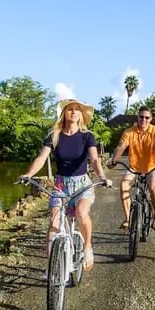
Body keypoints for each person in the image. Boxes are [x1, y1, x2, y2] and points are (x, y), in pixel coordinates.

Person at [21, 99, 111, 272]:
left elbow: (94, 159)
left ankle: (87, 247)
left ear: (81, 114)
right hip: (61, 185)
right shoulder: (54, 135)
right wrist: (28, 174)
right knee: (54, 222)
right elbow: (41, 158)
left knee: (81, 212)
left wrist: (102, 177)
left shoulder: (87, 136)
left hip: (82, 184)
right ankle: (51, 267)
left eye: (77, 109)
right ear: (64, 113)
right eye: (70, 109)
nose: (74, 112)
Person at [108, 105, 155, 231]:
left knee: (153, 189)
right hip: (134, 167)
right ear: (137, 117)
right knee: (124, 185)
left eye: (147, 117)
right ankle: (128, 219)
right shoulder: (129, 132)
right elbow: (121, 146)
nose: (144, 120)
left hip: (153, 166)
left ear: (151, 119)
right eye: (141, 117)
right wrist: (114, 160)